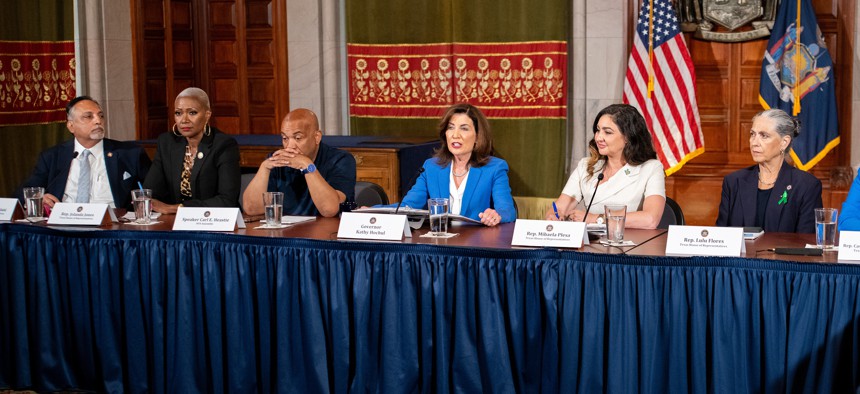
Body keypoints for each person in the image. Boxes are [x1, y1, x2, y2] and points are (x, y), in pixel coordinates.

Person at [377, 103, 516, 226]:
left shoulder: (494, 168)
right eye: (451, 128)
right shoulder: (431, 167)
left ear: (478, 137)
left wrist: (495, 215)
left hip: (476, 247)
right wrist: (372, 210)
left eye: (464, 128)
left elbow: (507, 210)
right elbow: (408, 206)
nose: (455, 135)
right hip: (441, 244)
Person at [16, 96, 151, 209]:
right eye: (88, 117)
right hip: (64, 227)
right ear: (71, 126)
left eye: (100, 116)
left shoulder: (130, 154)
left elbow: (154, 193)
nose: (98, 121)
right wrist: (40, 198)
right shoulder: (52, 156)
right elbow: (24, 193)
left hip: (112, 229)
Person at [546, 104, 665, 228]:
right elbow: (559, 207)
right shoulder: (586, 166)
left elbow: (650, 219)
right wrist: (553, 216)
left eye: (607, 132)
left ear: (628, 137)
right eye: (598, 130)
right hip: (589, 243)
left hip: (628, 243)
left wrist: (595, 218)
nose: (598, 137)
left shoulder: (651, 168)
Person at [716, 109, 822, 233]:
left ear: (784, 142)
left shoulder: (806, 186)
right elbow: (721, 238)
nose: (754, 143)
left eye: (764, 136)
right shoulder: (734, 182)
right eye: (752, 134)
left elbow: (805, 242)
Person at [242, 108, 356, 217]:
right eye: (285, 138)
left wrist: (307, 166)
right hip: (287, 233)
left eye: (298, 138)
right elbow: (252, 209)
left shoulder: (340, 160)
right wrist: (264, 168)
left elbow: (329, 210)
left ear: (317, 137)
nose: (290, 146)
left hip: (327, 233)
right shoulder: (277, 160)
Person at [143, 87, 241, 212]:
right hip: (175, 223)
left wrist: (177, 208)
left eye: (192, 113)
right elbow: (150, 192)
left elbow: (227, 200)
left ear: (207, 115)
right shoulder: (167, 143)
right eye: (178, 113)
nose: (184, 120)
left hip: (213, 221)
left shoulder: (223, 145)